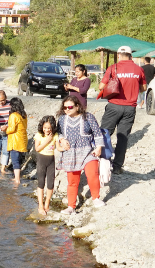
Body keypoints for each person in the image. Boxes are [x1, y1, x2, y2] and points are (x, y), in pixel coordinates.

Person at [98, 46, 146, 174]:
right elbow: (143, 88)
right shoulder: (139, 69)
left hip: (113, 106)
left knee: (104, 133)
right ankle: (117, 166)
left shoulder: (113, 68)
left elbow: (101, 86)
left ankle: (103, 162)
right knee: (123, 137)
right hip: (130, 108)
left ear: (118, 54)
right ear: (131, 55)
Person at [56, 96, 105, 215]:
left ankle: (96, 198)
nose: (67, 109)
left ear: (77, 107)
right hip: (70, 153)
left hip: (88, 151)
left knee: (92, 174)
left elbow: (97, 132)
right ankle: (71, 207)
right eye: (65, 107)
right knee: (72, 181)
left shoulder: (88, 117)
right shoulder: (62, 119)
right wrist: (62, 139)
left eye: (70, 107)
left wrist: (98, 147)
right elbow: (59, 132)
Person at [33, 115, 59, 215]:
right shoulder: (39, 135)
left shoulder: (55, 135)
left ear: (52, 127)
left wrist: (65, 146)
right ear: (41, 127)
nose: (47, 130)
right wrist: (47, 140)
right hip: (41, 160)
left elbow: (59, 147)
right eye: (45, 128)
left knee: (50, 183)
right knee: (41, 182)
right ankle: (40, 205)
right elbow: (37, 148)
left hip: (51, 161)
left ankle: (47, 202)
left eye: (49, 128)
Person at [5, 97, 28, 185]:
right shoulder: (24, 114)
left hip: (15, 141)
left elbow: (11, 129)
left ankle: (17, 179)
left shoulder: (13, 115)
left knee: (15, 161)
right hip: (22, 139)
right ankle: (17, 177)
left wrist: (5, 129)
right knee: (18, 159)